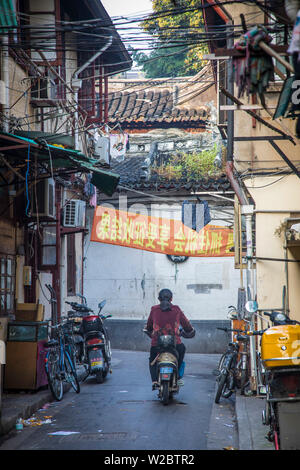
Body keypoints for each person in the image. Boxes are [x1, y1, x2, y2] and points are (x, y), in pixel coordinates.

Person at [145, 288, 195, 389]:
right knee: (182, 349)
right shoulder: (176, 310)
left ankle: (155, 380)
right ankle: (178, 376)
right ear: (171, 299)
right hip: (175, 344)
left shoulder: (154, 309)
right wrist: (189, 331)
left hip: (157, 344)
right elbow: (187, 326)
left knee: (152, 360)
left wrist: (150, 331)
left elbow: (149, 326)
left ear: (159, 298)